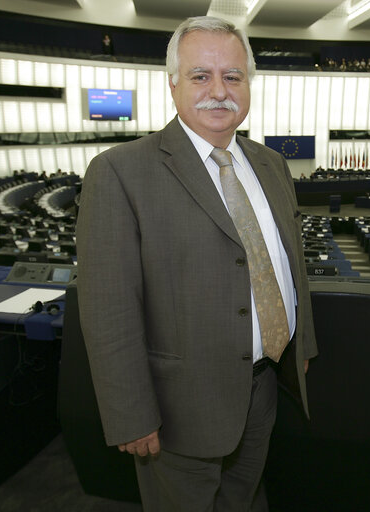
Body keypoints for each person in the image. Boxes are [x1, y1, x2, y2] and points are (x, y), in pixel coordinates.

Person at [76, 15, 317, 511]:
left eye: (233, 76)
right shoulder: (120, 172)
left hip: (265, 386)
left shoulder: (271, 164)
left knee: (242, 502)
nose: (219, 90)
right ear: (172, 84)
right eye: (200, 75)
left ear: (248, 83)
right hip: (177, 409)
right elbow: (109, 310)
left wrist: (301, 346)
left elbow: (290, 266)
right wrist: (130, 414)